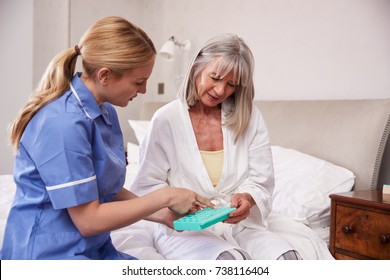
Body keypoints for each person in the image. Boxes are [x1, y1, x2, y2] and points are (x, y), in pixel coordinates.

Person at [0, 16, 215, 260]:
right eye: (138, 82)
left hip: (93, 246)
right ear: (104, 75)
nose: (143, 90)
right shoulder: (62, 123)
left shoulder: (104, 110)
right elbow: (88, 221)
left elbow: (102, 187)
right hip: (47, 254)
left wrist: (162, 214)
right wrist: (165, 196)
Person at [131, 34, 301, 260]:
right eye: (215, 77)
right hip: (185, 228)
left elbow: (261, 179)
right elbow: (146, 186)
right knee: (228, 262)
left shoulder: (249, 118)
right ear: (196, 67)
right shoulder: (166, 119)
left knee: (287, 257)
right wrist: (177, 204)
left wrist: (248, 198)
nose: (221, 90)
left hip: (240, 225)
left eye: (231, 84)